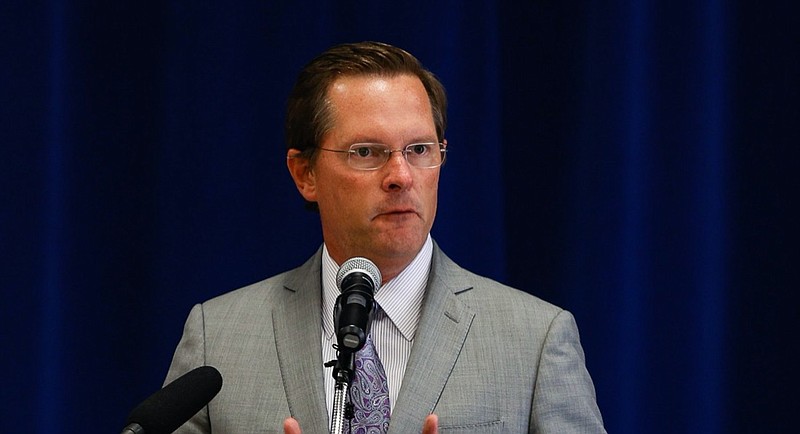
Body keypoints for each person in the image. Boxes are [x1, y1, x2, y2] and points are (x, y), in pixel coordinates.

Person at [164, 41, 605, 433]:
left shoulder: (535, 340)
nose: (400, 176)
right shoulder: (217, 337)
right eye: (367, 152)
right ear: (305, 174)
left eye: (419, 150)